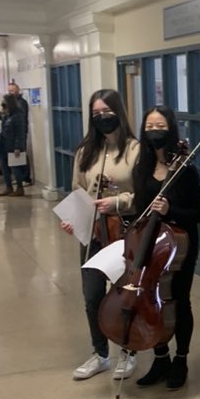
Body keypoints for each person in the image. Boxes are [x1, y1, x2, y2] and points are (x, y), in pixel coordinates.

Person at [59, 89, 140, 381]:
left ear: (118, 112)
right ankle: (100, 353)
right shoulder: (85, 151)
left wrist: (117, 202)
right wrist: (73, 219)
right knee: (92, 296)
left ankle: (128, 352)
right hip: (93, 232)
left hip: (124, 232)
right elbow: (78, 190)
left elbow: (142, 194)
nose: (102, 118)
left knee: (123, 296)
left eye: (107, 112)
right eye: (96, 114)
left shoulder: (134, 150)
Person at [131, 106, 200, 390]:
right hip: (151, 244)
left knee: (180, 300)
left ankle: (181, 359)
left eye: (159, 126)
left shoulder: (185, 170)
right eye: (149, 127)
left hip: (180, 246)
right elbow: (140, 207)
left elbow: (198, 213)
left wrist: (171, 208)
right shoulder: (143, 167)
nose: (154, 131)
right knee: (150, 302)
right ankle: (160, 356)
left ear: (170, 129)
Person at [0, 94, 27, 196]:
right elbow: (0, 120)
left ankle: (19, 188)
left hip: (13, 145)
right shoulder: (6, 114)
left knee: (15, 167)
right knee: (4, 167)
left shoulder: (18, 115)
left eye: (4, 102)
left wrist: (18, 146)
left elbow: (20, 132)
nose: (3, 104)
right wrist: (2, 112)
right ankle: (8, 187)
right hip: (3, 144)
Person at [8, 81, 32, 184]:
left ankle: (26, 177)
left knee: (21, 153)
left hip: (20, 132)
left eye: (12, 90)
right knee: (17, 155)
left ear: (18, 91)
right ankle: (19, 177)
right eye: (9, 91)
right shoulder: (11, 102)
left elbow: (20, 118)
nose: (10, 93)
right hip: (13, 133)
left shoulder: (21, 103)